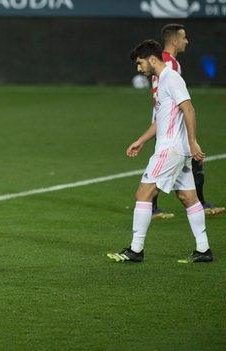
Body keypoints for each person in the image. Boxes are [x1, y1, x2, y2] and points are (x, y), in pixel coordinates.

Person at [108, 40, 212, 263]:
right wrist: (141, 140)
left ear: (151, 59)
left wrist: (193, 142)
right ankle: (204, 250)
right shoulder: (161, 81)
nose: (139, 68)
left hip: (170, 149)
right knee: (188, 197)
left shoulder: (171, 78)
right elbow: (161, 120)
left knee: (142, 194)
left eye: (139, 63)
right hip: (176, 149)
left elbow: (189, 109)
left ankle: (136, 250)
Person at [149, 24, 224, 219]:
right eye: (184, 37)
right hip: (171, 122)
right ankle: (199, 204)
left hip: (162, 119)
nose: (186, 41)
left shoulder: (160, 61)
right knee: (193, 158)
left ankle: (154, 207)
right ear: (174, 40)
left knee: (170, 161)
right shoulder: (170, 64)